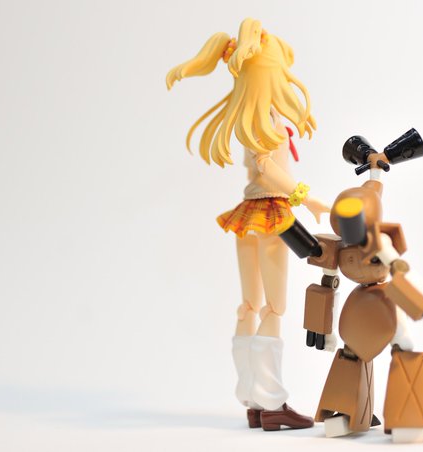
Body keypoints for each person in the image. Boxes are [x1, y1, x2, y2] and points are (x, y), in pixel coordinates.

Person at [166, 18, 328, 431]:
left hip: (248, 215)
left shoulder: (253, 116)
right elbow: (268, 169)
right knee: (275, 306)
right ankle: (272, 402)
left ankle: (254, 400)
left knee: (250, 305)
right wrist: (307, 198)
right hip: (272, 214)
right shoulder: (266, 120)